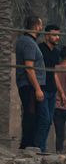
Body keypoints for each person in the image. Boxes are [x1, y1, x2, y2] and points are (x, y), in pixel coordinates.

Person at [15, 16, 45, 150]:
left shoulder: (26, 41)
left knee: (31, 114)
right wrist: (37, 88)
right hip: (29, 86)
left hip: (29, 85)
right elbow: (29, 67)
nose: (42, 28)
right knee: (31, 115)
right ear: (37, 26)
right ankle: (27, 145)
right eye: (41, 25)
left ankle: (28, 145)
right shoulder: (28, 42)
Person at [36, 24, 62, 152]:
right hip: (42, 88)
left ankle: (42, 148)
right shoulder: (39, 48)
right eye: (54, 35)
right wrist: (37, 88)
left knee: (49, 120)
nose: (57, 38)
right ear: (46, 36)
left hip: (52, 90)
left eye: (58, 35)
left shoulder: (57, 53)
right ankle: (39, 148)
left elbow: (55, 73)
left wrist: (61, 92)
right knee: (44, 119)